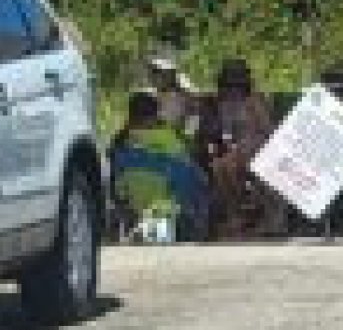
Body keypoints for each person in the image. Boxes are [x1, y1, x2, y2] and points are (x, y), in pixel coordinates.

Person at [196, 59, 286, 239]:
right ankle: (236, 213)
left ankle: (267, 218)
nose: (233, 89)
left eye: (236, 84)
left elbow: (270, 131)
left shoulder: (256, 100)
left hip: (261, 147)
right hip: (238, 150)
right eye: (229, 84)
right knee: (220, 166)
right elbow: (223, 134)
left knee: (229, 164)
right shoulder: (222, 104)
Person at [110, 92, 209, 241]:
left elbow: (116, 186)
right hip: (168, 212)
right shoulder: (169, 140)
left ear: (130, 116)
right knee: (199, 179)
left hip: (135, 212)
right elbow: (188, 180)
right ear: (156, 115)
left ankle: (138, 228)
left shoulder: (120, 143)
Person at [146, 55, 197, 135]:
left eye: (161, 74)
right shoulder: (150, 93)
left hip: (180, 130)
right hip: (159, 131)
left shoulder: (183, 89)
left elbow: (194, 109)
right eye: (155, 72)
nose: (158, 77)